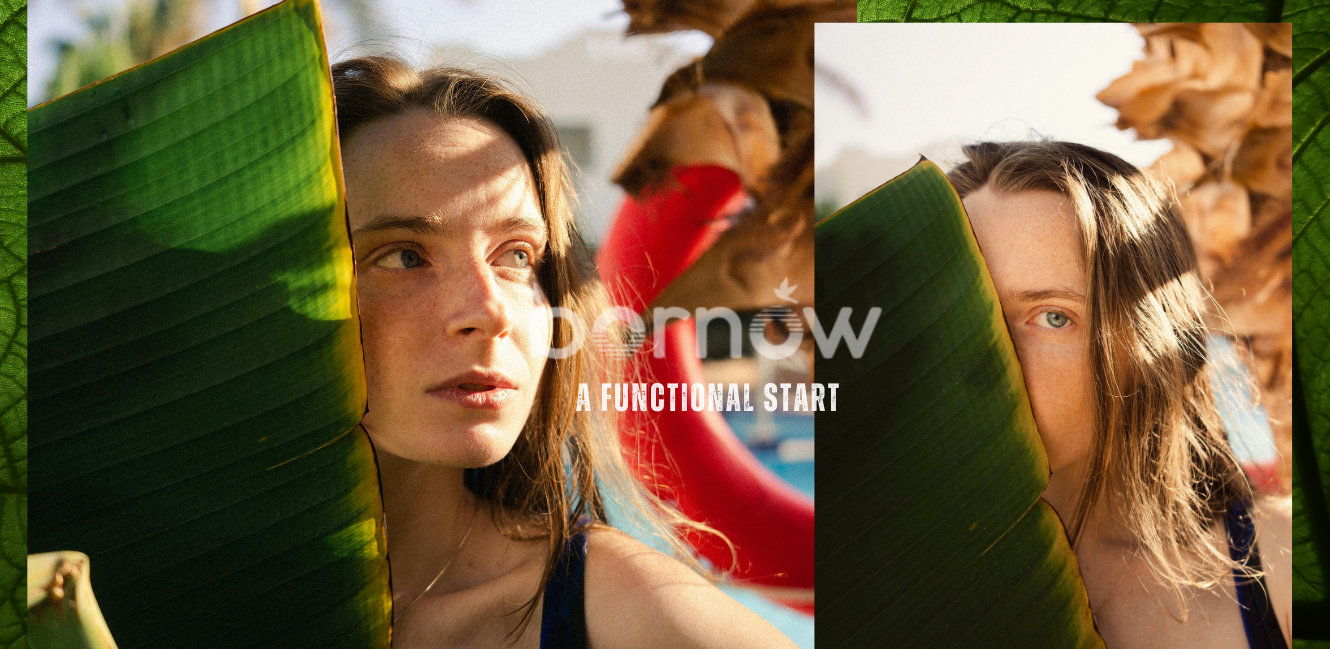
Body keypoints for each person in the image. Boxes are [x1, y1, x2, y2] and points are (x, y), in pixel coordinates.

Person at [332, 56, 797, 649]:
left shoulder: (619, 609)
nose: (493, 311)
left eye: (517, 255)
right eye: (404, 255)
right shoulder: (187, 596)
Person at [949, 141, 1291, 649]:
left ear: (1155, 347)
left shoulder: (1282, 564)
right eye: (966, 312)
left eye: (1053, 317)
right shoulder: (899, 570)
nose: (992, 353)